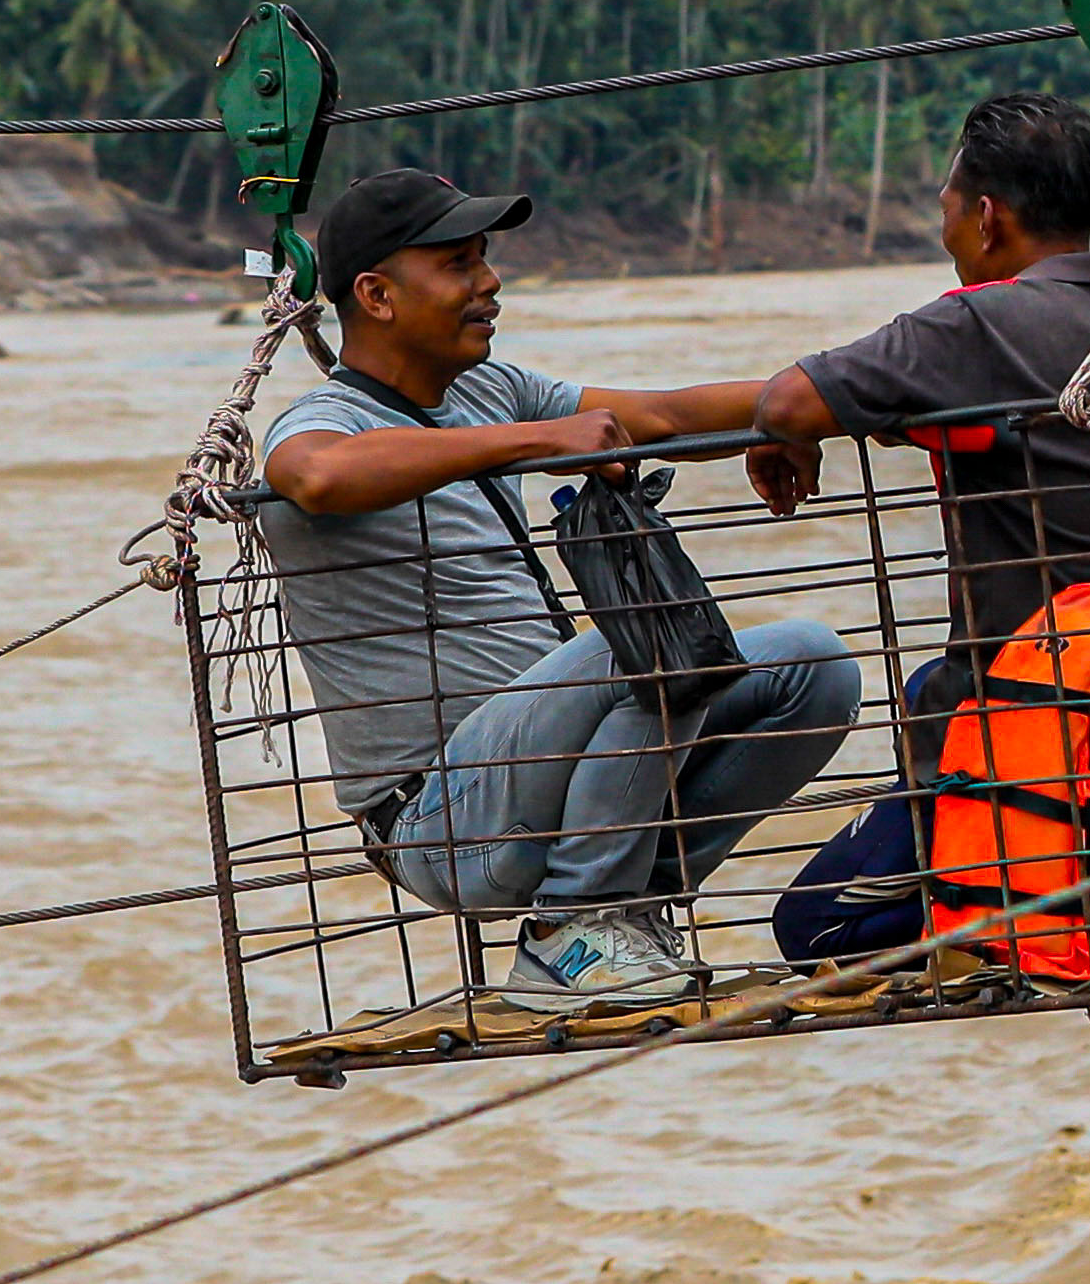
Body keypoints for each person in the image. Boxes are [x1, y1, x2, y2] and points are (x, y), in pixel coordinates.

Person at [525, 90, 1090, 1143]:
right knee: (930, 697)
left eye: (949, 209)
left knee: (813, 921)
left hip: (1036, 735)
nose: (948, 229)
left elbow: (786, 401)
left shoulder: (977, 323)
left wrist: (796, 431)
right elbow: (1054, 423)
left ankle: (1026, 917)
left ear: (990, 219)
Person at [250, 162, 861, 1019]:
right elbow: (309, 475)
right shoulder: (331, 420)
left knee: (815, 665)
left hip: (558, 778)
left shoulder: (488, 391)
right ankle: (568, 932)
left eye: (485, 260)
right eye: (460, 264)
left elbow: (669, 418)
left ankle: (625, 904)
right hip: (445, 821)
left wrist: (808, 407)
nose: (489, 283)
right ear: (377, 296)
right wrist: (531, 442)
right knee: (649, 635)